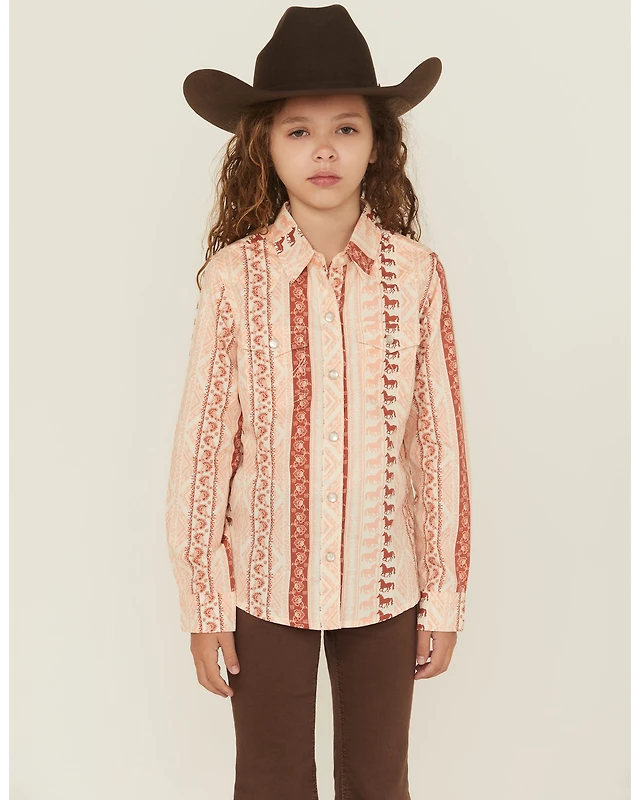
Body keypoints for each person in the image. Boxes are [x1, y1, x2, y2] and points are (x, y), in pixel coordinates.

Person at [165, 5, 472, 799]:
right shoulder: (234, 278)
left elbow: (437, 445)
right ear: (265, 146)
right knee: (269, 781)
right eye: (299, 131)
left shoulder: (418, 275)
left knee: (378, 780)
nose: (325, 149)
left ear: (378, 145)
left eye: (346, 128)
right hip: (263, 584)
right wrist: (205, 602)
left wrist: (443, 596)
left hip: (386, 585)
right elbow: (205, 445)